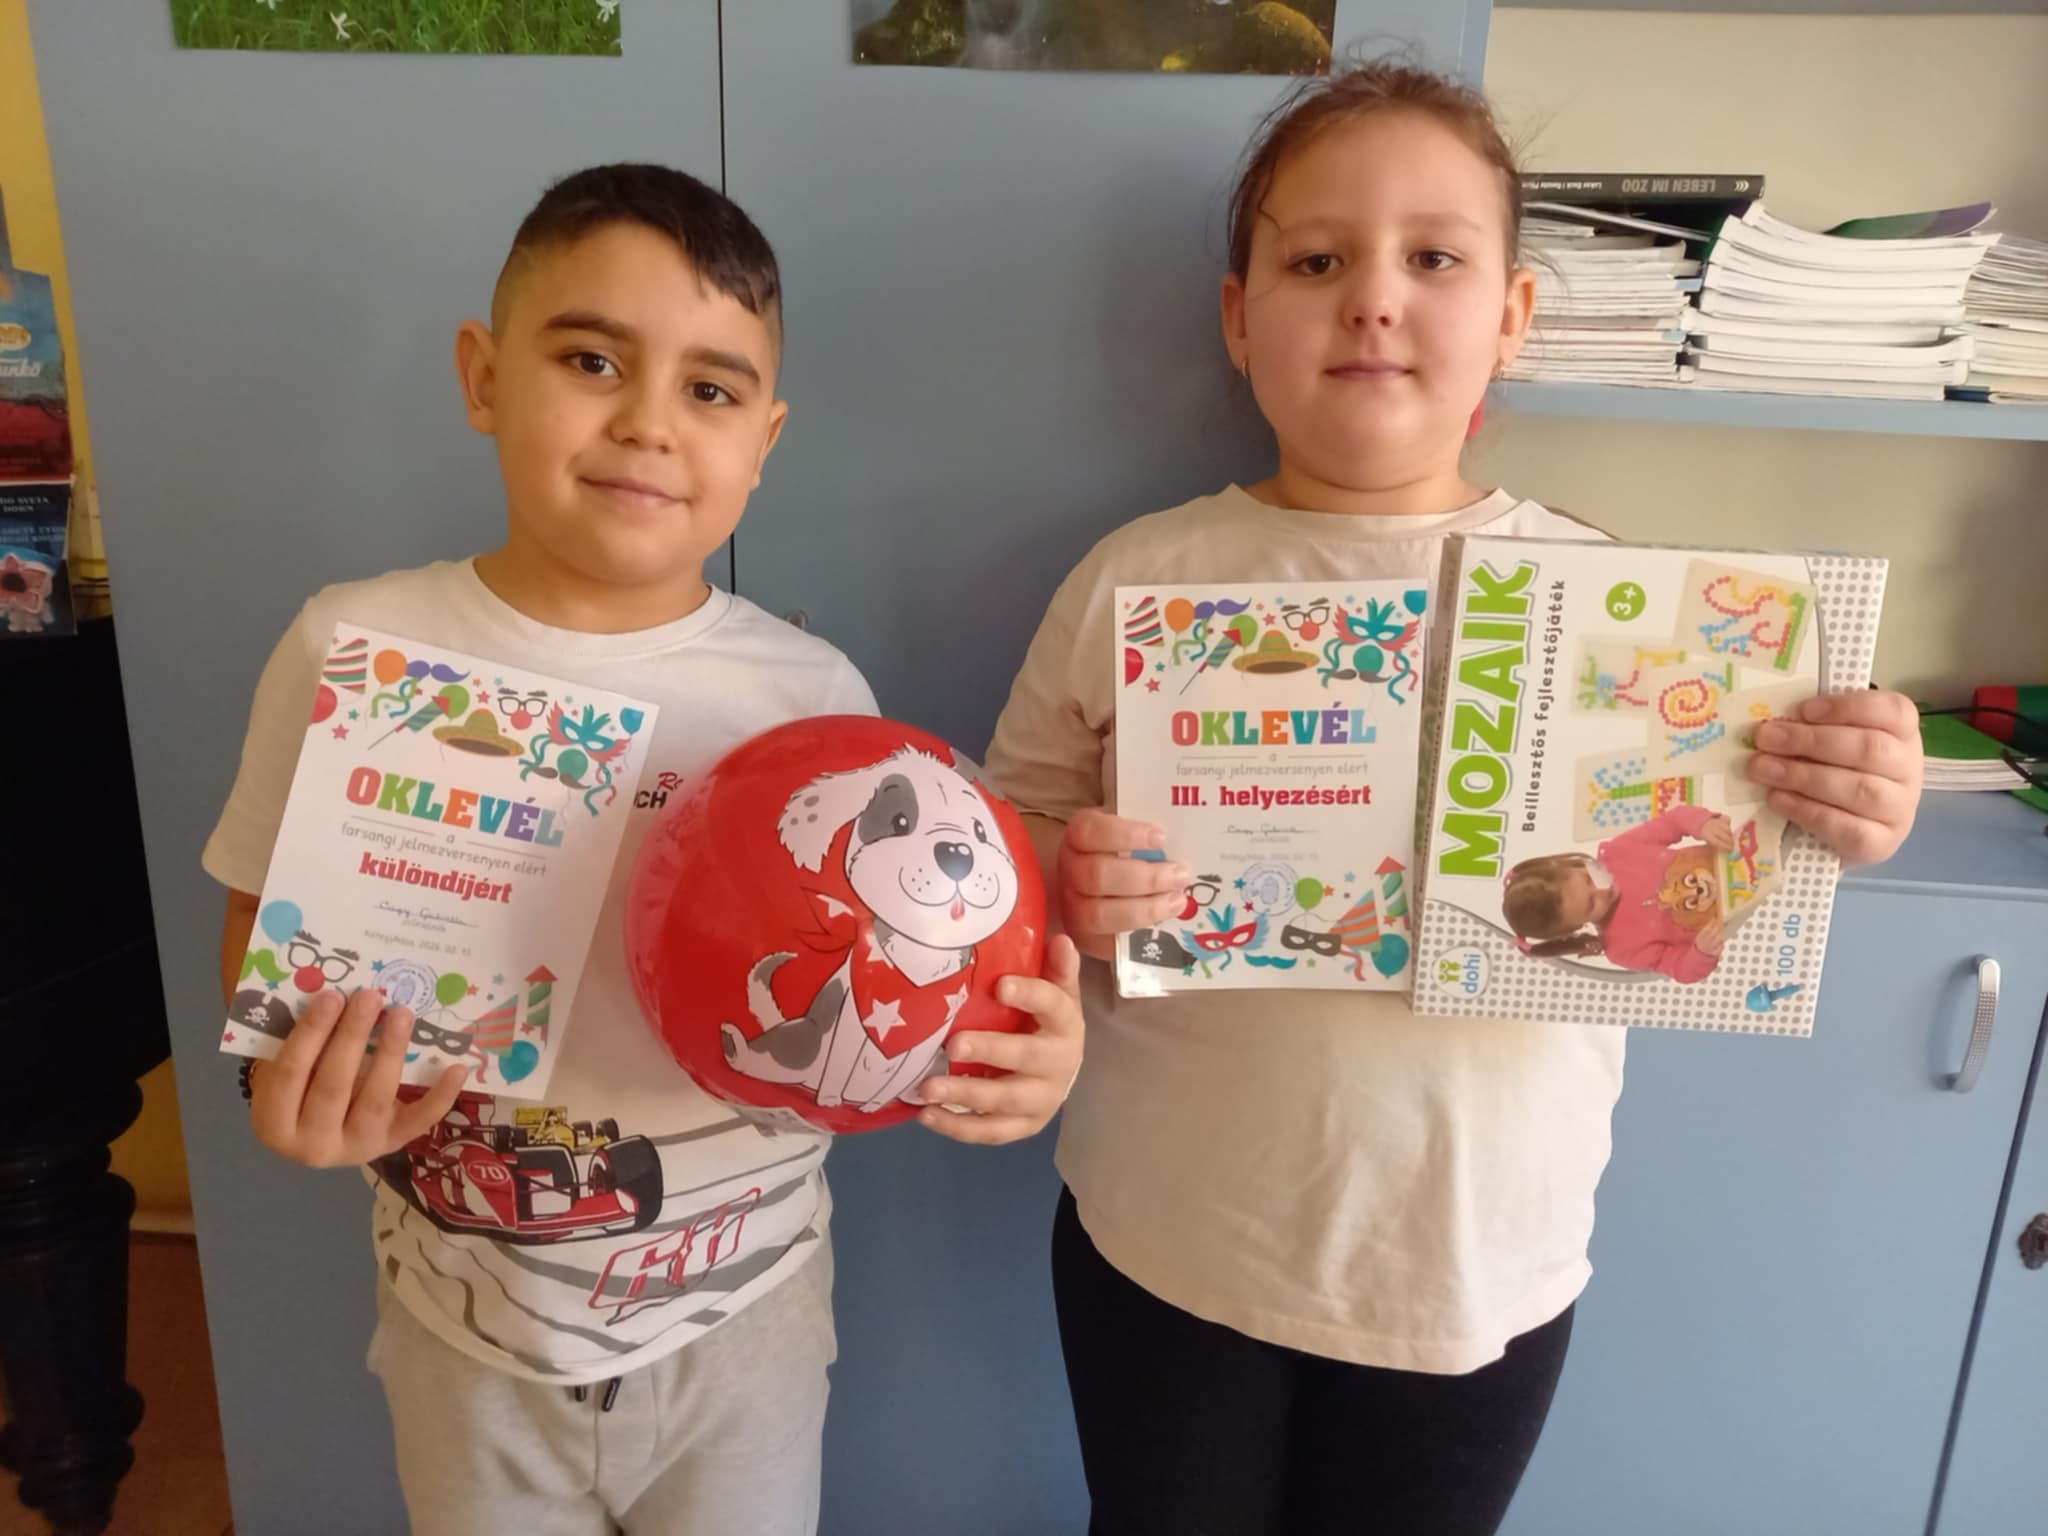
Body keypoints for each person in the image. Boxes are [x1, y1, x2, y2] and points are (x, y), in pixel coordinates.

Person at [983, 61, 1923, 1536]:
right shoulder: (1135, 576)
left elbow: (1716, 873)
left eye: (1433, 258)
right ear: (1237, 317)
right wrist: (1064, 879)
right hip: (1169, 1240)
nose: (1373, 299)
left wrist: (1844, 797)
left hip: (1477, 1271)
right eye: (1316, 261)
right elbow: (1002, 841)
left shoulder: (1618, 607)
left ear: (1512, 317)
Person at [205, 163, 1082, 1536]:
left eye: (711, 390)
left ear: (764, 440)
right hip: (467, 1325)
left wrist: (1018, 1059)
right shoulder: (357, 647)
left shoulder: (812, 699)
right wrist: (296, 1086)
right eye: (592, 360)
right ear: (483, 375)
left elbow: (930, 959)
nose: (648, 423)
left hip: (746, 1321)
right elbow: (269, 937)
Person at [1503, 809, 1737, 982]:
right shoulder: (1623, 949)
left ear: (1573, 866)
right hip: (1739, 913)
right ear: (1574, 928)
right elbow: (1681, 969)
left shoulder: (1620, 851)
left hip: (1736, 858)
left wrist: (1703, 824)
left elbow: (1673, 821)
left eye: (1588, 879)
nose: (1602, 890)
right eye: (1591, 904)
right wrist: (1701, 952)